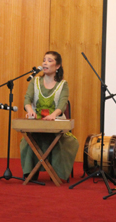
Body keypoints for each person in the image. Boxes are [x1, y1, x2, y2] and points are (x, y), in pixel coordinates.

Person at [20, 51, 79, 181]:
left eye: (50, 60)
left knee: (67, 142)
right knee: (27, 140)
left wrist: (53, 115)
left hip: (56, 121)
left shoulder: (63, 84)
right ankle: (31, 172)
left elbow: (62, 105)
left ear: (57, 66)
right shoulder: (34, 81)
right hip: (37, 123)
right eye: (44, 60)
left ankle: (56, 173)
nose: (45, 63)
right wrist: (30, 110)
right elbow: (27, 100)